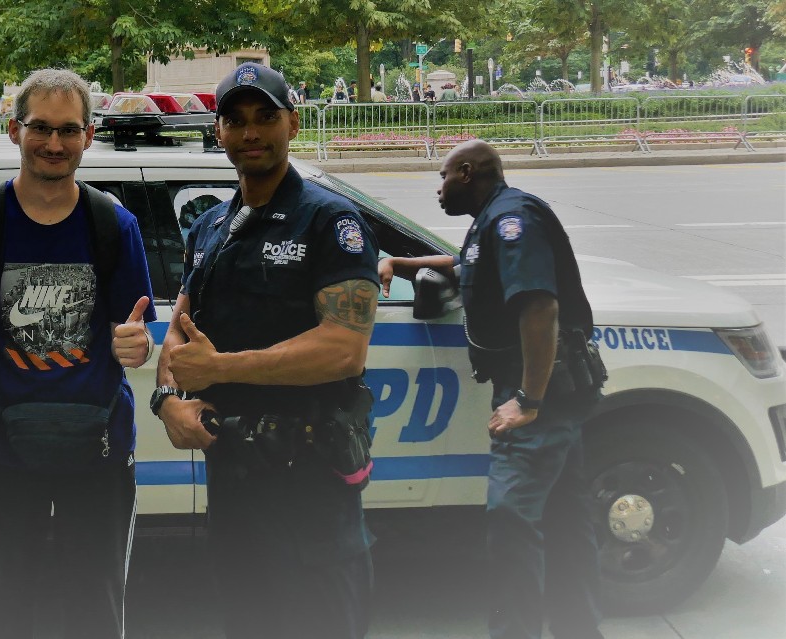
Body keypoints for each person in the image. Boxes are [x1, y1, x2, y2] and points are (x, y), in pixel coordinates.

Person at [154, 62, 380, 639]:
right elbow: (180, 331)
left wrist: (221, 369)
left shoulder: (329, 221)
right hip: (233, 477)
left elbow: (344, 349)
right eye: (236, 120)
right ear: (219, 131)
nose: (251, 132)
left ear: (293, 124)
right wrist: (168, 400)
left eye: (265, 117)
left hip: (309, 485)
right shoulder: (210, 226)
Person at [0, 67, 156, 639]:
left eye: (68, 130)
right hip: (1, 446)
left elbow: (130, 336)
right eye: (40, 127)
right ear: (14, 130)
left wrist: (136, 347)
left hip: (100, 445)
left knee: (97, 606)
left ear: (88, 135)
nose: (54, 143)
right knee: (1, 605)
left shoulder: (114, 224)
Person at [378, 140, 606, 639]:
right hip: (553, 392)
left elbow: (539, 306)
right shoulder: (492, 220)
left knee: (511, 519)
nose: (438, 188)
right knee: (566, 519)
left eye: (442, 177)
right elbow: (466, 266)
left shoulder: (511, 220)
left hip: (540, 395)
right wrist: (403, 263)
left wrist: (527, 399)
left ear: (466, 172)